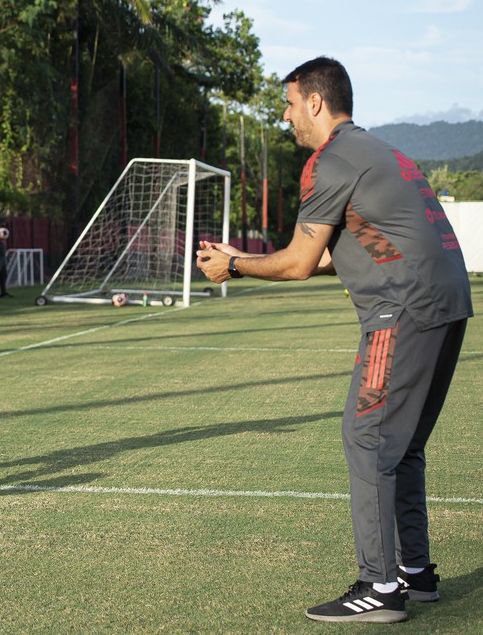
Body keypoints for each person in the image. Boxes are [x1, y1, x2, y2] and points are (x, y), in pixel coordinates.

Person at [196, 57, 473, 624]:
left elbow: (298, 263)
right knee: (401, 445)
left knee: (366, 439)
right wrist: (247, 261)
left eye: (290, 105)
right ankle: (415, 574)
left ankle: (379, 587)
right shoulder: (379, 152)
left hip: (402, 309)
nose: (286, 117)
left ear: (316, 103)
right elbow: (332, 253)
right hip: (448, 302)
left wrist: (236, 264)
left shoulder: (330, 160)